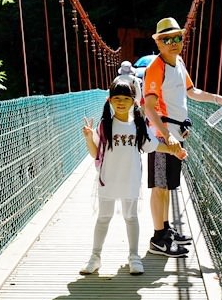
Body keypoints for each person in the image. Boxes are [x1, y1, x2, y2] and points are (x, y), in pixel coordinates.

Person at [143, 17, 222, 257]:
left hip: (176, 134)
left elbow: (191, 91)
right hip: (164, 137)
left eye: (177, 38)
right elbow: (149, 107)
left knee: (168, 186)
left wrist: (219, 98)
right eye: (167, 39)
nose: (173, 42)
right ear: (159, 43)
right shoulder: (156, 67)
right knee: (160, 186)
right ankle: (158, 238)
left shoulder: (179, 62)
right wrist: (166, 136)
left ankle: (165, 230)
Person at [80, 79, 188, 275]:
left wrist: (174, 152)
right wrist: (89, 138)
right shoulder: (105, 126)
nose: (121, 102)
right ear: (110, 101)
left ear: (133, 102)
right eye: (117, 99)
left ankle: (134, 257)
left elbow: (153, 146)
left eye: (126, 99)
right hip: (108, 180)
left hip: (130, 180)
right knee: (104, 217)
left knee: (131, 217)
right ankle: (95, 257)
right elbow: (96, 153)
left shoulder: (139, 126)